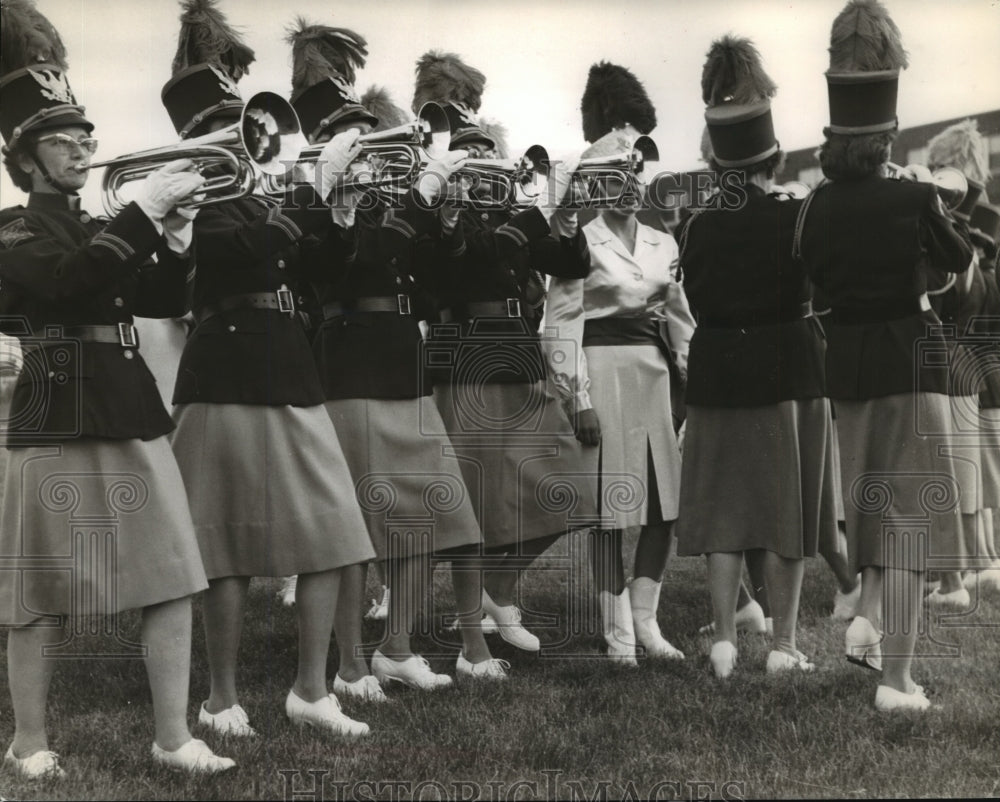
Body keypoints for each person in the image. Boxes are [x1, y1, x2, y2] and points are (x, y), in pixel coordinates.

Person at [0, 0, 232, 776]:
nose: (84, 147)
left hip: (127, 402)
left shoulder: (107, 219)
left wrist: (175, 234)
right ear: (27, 155)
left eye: (85, 135)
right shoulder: (14, 228)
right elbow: (68, 284)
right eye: (66, 138)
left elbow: (159, 299)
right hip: (56, 403)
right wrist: (141, 212)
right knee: (38, 593)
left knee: (172, 574)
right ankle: (29, 741)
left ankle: (173, 737)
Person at [161, 1, 375, 738]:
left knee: (337, 534)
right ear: (203, 132)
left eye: (251, 123)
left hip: (287, 361)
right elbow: (236, 253)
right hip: (224, 368)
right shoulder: (184, 188)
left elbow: (316, 272)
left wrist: (338, 213)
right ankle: (220, 699)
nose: (255, 133)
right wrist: (305, 200)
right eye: (237, 122)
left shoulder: (261, 185)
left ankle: (311, 689)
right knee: (226, 549)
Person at [291, 32, 508, 688]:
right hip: (351, 364)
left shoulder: (390, 204)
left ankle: (396, 645)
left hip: (403, 363)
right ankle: (351, 664)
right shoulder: (315, 203)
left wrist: (448, 219)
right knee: (360, 530)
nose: (374, 156)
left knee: (437, 516)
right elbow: (350, 263)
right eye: (358, 145)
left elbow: (439, 276)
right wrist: (406, 199)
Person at [796, 0, 974, 712]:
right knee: (910, 529)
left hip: (850, 366)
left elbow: (811, 272)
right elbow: (959, 263)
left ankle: (868, 629)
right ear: (888, 133)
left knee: (871, 513)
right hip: (910, 359)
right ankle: (897, 680)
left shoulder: (815, 204)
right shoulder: (914, 196)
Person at [415, 51, 596, 654]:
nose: (483, 168)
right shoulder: (443, 216)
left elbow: (571, 265)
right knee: (475, 504)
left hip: (518, 355)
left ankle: (497, 588)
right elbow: (484, 258)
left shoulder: (504, 211)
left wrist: (565, 213)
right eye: (471, 157)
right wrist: (535, 212)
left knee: (566, 487)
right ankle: (473, 625)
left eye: (486, 156)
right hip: (463, 356)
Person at [674, 37, 840, 678]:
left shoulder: (694, 222)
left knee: (724, 510)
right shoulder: (796, 212)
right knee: (786, 512)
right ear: (770, 154)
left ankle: (722, 638)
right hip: (787, 364)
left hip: (717, 365)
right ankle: (784, 644)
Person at [545, 62, 693, 665]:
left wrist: (690, 375)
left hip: (655, 380)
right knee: (610, 512)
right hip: (601, 375)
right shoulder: (580, 240)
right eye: (616, 175)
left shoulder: (664, 242)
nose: (629, 184)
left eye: (636, 173)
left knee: (663, 508)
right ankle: (616, 634)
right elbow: (560, 321)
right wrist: (575, 397)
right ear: (600, 183)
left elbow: (680, 318)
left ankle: (645, 619)